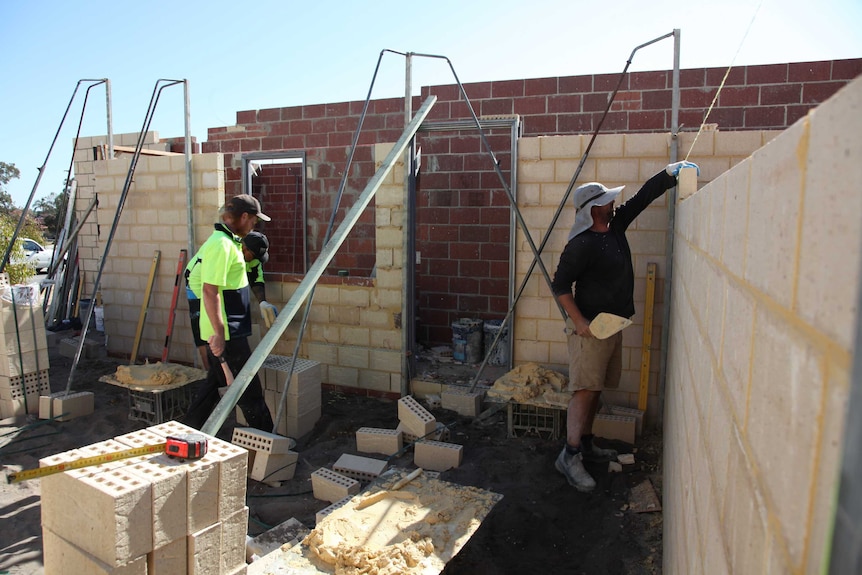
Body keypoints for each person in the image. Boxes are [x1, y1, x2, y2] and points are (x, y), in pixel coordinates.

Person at [551, 160, 699, 492]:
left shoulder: (615, 228)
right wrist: (579, 322)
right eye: (607, 201)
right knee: (584, 390)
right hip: (590, 331)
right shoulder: (582, 244)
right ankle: (569, 455)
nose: (614, 203)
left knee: (597, 388)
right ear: (594, 209)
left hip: (611, 325)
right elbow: (560, 285)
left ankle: (586, 446)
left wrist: (669, 175)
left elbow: (641, 199)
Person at [184, 194, 275, 432]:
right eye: (254, 220)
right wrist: (220, 332)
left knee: (214, 384)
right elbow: (209, 290)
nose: (255, 225)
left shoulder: (230, 242)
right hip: (227, 334)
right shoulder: (222, 245)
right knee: (248, 390)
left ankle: (190, 429)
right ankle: (270, 444)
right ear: (244, 217)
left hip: (227, 330)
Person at [241, 231, 279, 326]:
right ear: (245, 249)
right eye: (255, 256)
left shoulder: (253, 260)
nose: (256, 260)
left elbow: (256, 280)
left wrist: (263, 302)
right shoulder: (229, 254)